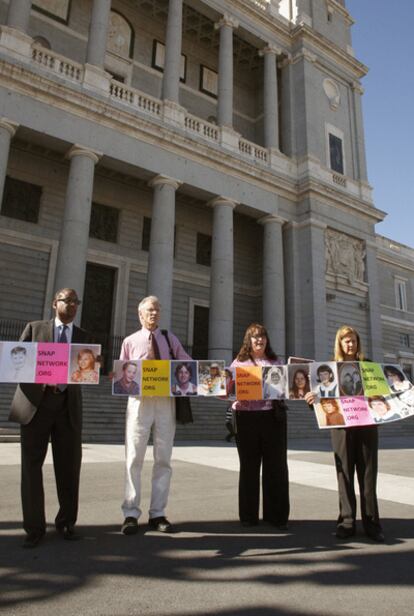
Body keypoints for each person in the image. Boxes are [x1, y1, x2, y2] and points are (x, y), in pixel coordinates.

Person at [9, 288, 93, 548]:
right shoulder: (35, 329)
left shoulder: (83, 337)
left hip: (67, 407)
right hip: (37, 404)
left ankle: (66, 522)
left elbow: (90, 369)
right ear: (54, 303)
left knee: (69, 467)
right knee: (31, 468)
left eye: (76, 301)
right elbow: (17, 363)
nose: (72, 305)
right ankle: (34, 528)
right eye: (67, 300)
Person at [119, 295, 191, 535]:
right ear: (140, 315)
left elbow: (188, 365)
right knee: (134, 457)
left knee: (163, 458)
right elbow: (121, 373)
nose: (154, 314)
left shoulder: (170, 340)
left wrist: (209, 374)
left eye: (157, 310)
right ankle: (130, 513)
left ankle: (157, 513)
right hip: (139, 403)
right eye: (149, 310)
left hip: (165, 402)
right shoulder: (130, 341)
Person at [305, 325, 384, 542]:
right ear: (339, 344)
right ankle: (347, 522)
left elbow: (381, 394)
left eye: (353, 340)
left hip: (367, 427)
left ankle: (372, 524)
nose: (350, 344)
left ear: (358, 343)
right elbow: (323, 400)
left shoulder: (368, 366)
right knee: (345, 475)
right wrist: (313, 401)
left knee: (368, 477)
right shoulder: (330, 369)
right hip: (341, 428)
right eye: (346, 341)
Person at [231, 323, 289, 529]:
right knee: (249, 468)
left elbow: (284, 389)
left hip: (272, 418)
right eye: (255, 337)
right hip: (246, 418)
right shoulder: (239, 363)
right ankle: (248, 516)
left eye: (262, 337)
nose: (259, 340)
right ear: (249, 340)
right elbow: (227, 391)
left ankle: (276, 516)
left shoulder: (276, 362)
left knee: (276, 467)